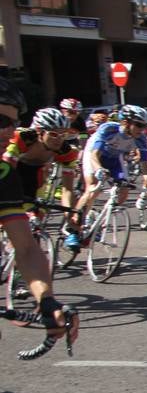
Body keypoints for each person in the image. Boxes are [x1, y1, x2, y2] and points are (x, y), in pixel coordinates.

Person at [0, 95, 80, 343]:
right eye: (2, 120)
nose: (11, 130)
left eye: (14, 122)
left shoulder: (67, 152)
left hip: (28, 181)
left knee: (30, 225)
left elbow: (27, 249)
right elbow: (9, 161)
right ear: (39, 132)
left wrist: (47, 300)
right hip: (17, 169)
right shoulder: (21, 141)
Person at [71, 104, 147, 246]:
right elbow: (94, 155)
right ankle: (73, 230)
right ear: (126, 122)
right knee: (93, 188)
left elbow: (146, 168)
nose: (142, 129)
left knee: (124, 192)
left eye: (145, 125)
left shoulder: (140, 138)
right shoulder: (109, 129)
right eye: (139, 125)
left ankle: (98, 223)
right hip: (95, 155)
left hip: (114, 159)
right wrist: (99, 170)